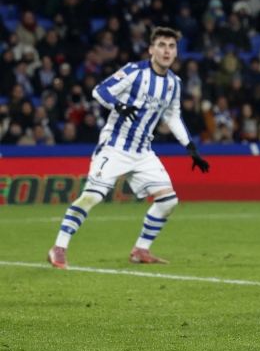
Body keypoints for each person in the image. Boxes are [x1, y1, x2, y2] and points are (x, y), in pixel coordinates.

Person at [46, 27, 210, 268]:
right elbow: (100, 90)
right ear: (151, 49)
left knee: (168, 201)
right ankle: (58, 247)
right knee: (92, 196)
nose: (166, 50)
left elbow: (173, 116)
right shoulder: (135, 71)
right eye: (162, 45)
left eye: (171, 46)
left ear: (176, 52)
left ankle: (140, 250)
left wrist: (191, 147)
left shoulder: (174, 83)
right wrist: (119, 106)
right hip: (115, 146)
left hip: (143, 151)